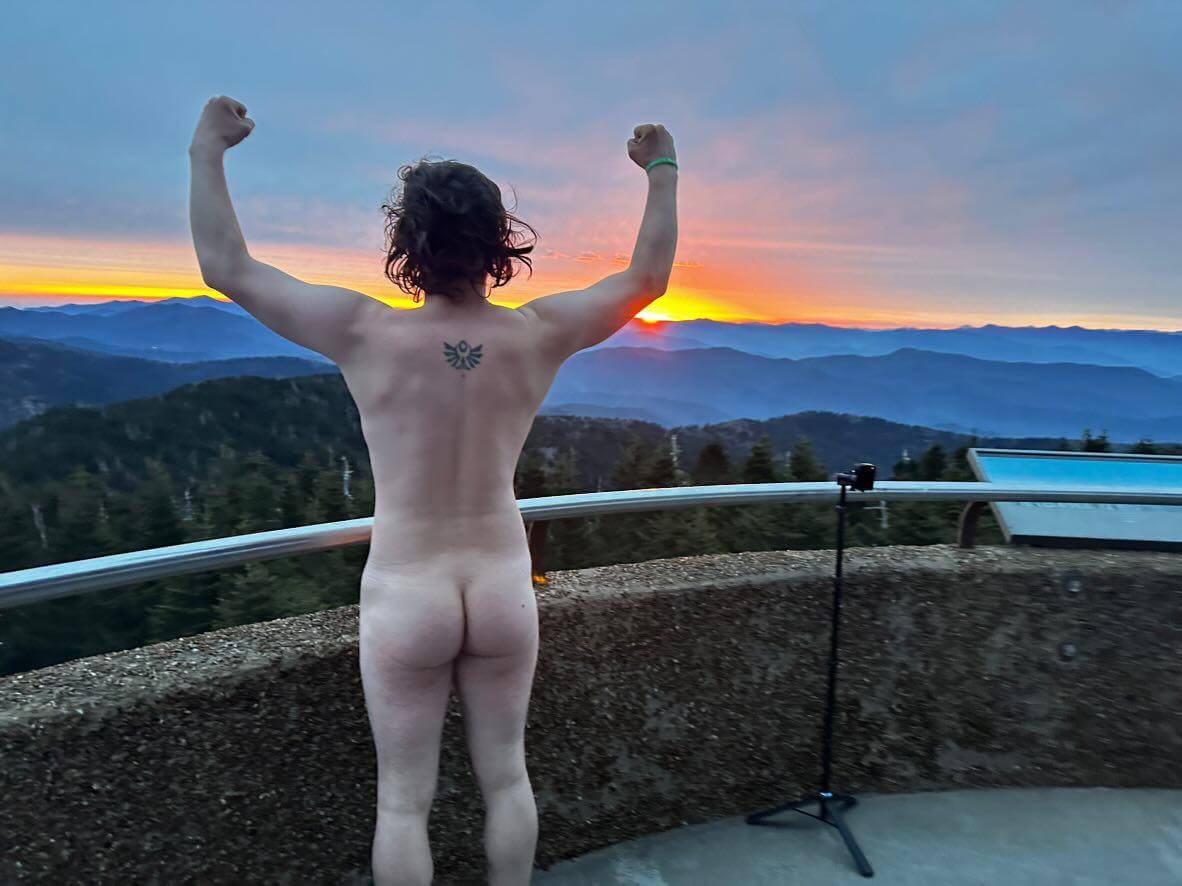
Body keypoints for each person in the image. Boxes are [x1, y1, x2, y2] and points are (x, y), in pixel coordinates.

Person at [188, 95, 679, 885]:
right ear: (498, 243)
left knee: (402, 805)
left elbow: (227, 268)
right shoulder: (537, 335)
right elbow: (647, 279)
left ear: (406, 243)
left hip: (406, 592)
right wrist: (661, 167)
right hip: (501, 588)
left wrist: (207, 149)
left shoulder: (364, 332)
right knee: (507, 779)